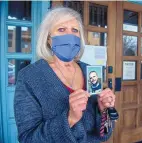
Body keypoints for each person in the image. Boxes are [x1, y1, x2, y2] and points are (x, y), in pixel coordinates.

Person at [14, 7, 116, 143]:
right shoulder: (29, 77)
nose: (70, 35)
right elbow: (28, 139)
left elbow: (104, 135)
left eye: (75, 30)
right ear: (49, 38)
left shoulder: (91, 71)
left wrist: (103, 111)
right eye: (61, 29)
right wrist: (69, 119)